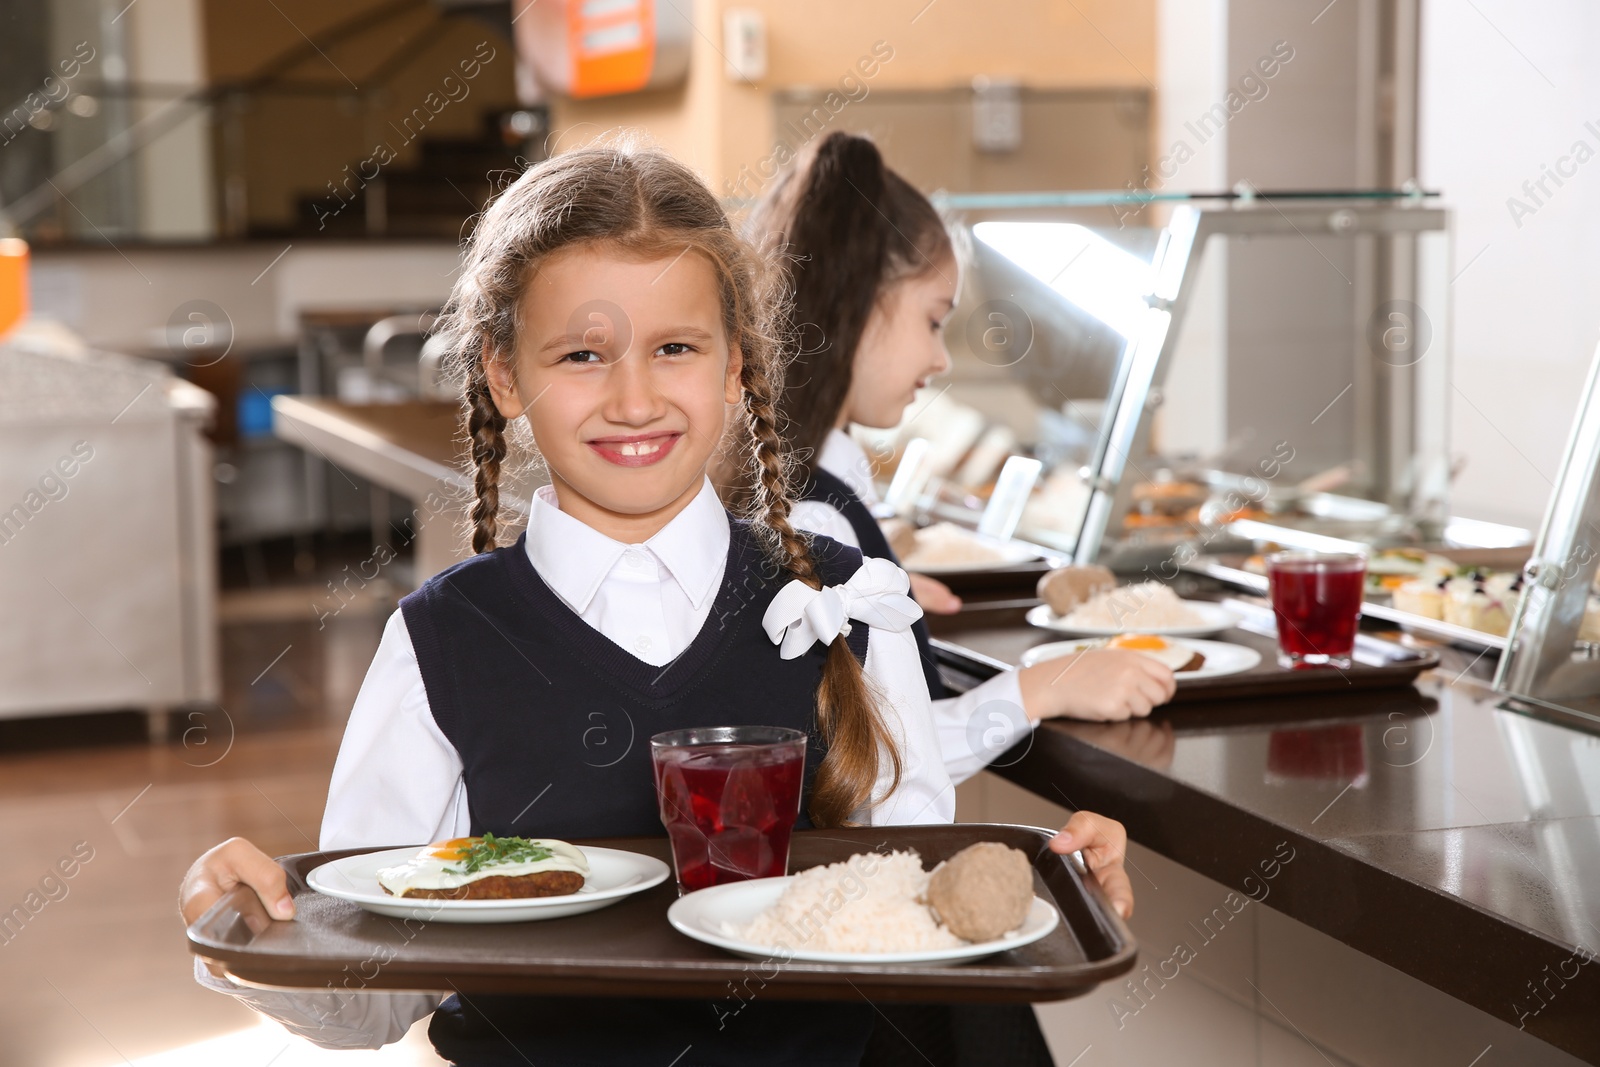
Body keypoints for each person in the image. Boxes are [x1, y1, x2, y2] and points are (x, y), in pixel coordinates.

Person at [177, 139, 1134, 1067]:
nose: (634, 400)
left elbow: (913, 928)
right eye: (583, 356)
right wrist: (247, 930)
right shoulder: (441, 642)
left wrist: (1033, 882)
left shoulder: (848, 603)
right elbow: (373, 988)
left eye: (675, 346)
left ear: (734, 367)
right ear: (506, 375)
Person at [745, 131, 1177, 787]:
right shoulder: (815, 518)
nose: (941, 359)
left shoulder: (809, 495)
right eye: (933, 320)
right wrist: (1043, 687)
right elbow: (874, 764)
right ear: (860, 307)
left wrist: (885, 577)